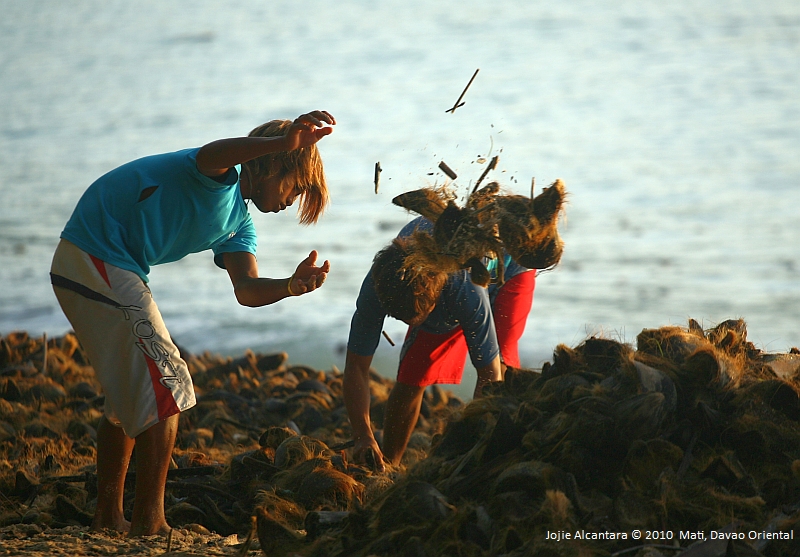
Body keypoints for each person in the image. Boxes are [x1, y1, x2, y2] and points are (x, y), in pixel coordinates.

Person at [49, 110, 335, 536]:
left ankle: (107, 516)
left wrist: (291, 286)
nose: (293, 200)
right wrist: (282, 143)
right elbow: (217, 151)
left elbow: (247, 289)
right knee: (170, 383)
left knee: (126, 397)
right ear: (275, 163)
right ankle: (150, 521)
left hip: (93, 264)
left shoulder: (240, 223)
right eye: (296, 187)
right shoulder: (218, 175)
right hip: (97, 254)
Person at [343, 217, 535, 472]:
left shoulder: (464, 289)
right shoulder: (380, 285)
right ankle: (387, 466)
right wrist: (362, 435)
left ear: (435, 299)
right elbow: (356, 366)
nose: (404, 324)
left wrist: (469, 453)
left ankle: (489, 460)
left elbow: (491, 376)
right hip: (439, 270)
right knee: (412, 374)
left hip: (510, 264)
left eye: (413, 318)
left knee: (503, 365)